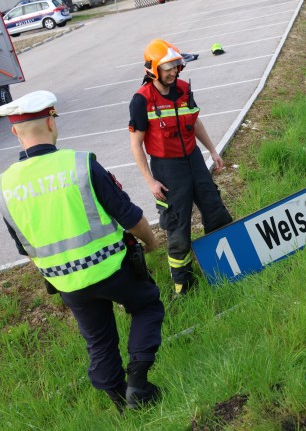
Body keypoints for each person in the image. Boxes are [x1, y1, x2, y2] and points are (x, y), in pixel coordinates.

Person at [0, 91, 165, 412]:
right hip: (112, 268)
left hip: (67, 284)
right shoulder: (79, 165)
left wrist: (59, 276)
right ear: (51, 122)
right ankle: (139, 384)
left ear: (15, 131)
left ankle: (121, 403)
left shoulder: (6, 187)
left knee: (99, 343)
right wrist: (152, 242)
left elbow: (27, 247)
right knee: (146, 306)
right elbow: (130, 217)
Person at [129, 38, 232, 296]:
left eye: (176, 65)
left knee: (215, 209)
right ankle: (184, 285)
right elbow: (136, 144)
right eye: (168, 67)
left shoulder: (184, 89)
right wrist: (150, 181)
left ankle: (226, 265)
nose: (174, 71)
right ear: (153, 69)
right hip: (167, 168)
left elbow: (195, 122)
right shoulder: (142, 100)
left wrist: (212, 150)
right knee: (177, 225)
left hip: (194, 160)